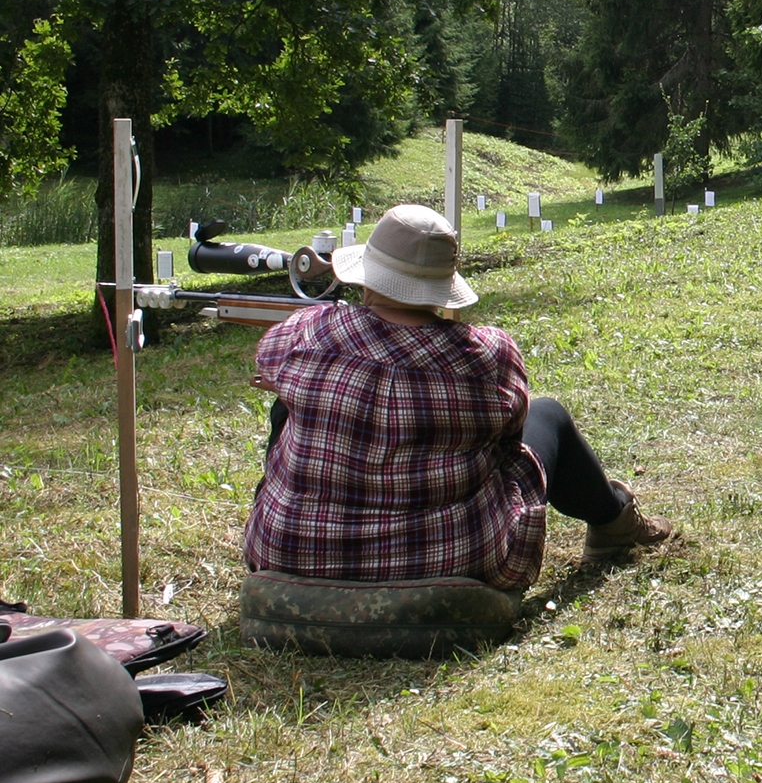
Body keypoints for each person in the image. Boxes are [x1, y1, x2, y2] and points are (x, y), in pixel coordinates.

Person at [243, 204, 674, 591]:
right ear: (443, 287)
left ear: (366, 276)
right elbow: (510, 433)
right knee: (547, 415)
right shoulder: (490, 354)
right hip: (457, 559)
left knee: (286, 405)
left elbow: (269, 363)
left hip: (289, 553)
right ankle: (615, 521)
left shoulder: (306, 330)